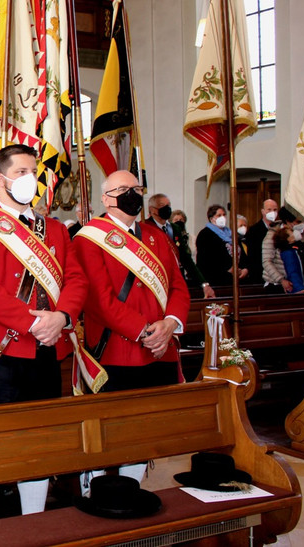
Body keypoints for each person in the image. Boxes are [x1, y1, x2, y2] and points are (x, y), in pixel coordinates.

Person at [0, 145, 88, 523]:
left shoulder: (57, 230)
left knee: (40, 441)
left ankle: (35, 523)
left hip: (48, 351)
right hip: (2, 354)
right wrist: (35, 322)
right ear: (0, 179)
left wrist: (62, 316)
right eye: (21, 172)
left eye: (34, 170)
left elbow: (76, 279)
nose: (30, 178)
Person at [72, 169, 190, 486]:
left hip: (159, 350)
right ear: (105, 198)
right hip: (117, 351)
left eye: (136, 188)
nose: (133, 193)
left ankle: (132, 488)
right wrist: (145, 331)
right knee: (112, 428)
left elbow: (178, 286)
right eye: (124, 188)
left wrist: (170, 324)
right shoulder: (89, 237)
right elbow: (98, 301)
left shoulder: (156, 236)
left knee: (145, 429)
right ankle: (99, 489)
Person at [195, 205, 247, 287]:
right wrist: (228, 269)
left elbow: (242, 253)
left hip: (237, 279)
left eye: (224, 215)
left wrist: (244, 269)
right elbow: (206, 261)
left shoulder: (231, 234)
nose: (222, 217)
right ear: (211, 218)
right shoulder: (205, 235)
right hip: (217, 281)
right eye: (219, 215)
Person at [168, 210, 215, 298]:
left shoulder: (192, 238)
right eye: (176, 219)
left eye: (181, 219)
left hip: (191, 275)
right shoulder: (170, 237)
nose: (179, 221)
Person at [245, 199, 279, 283]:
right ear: (263, 211)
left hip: (278, 271)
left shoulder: (280, 229)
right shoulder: (254, 230)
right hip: (260, 274)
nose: (273, 212)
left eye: (275, 210)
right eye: (269, 209)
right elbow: (253, 256)